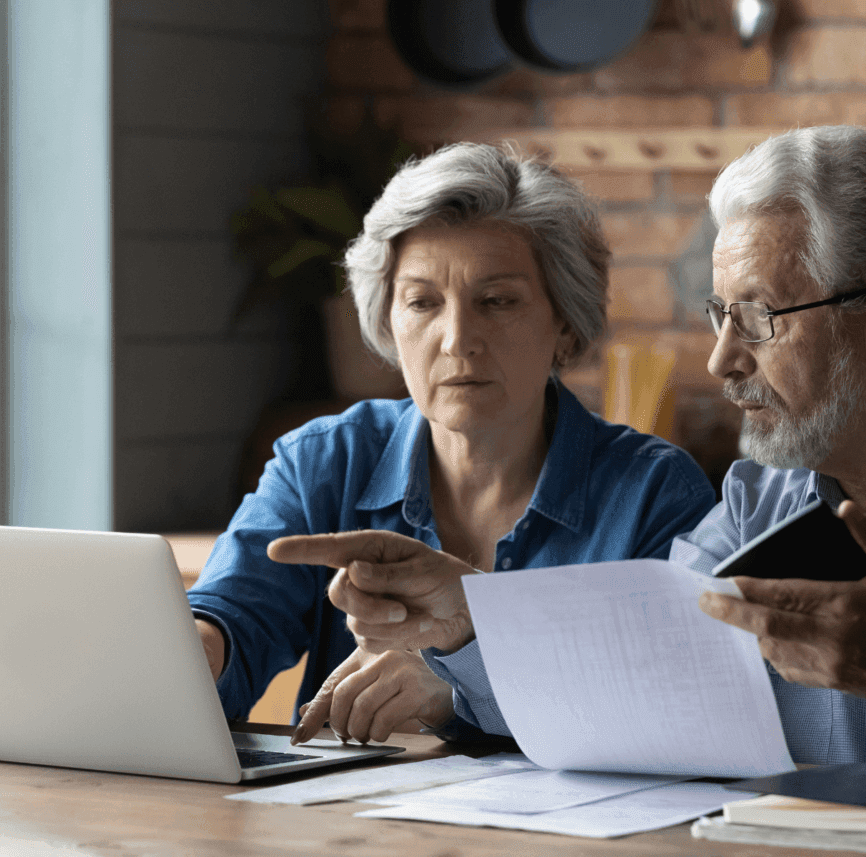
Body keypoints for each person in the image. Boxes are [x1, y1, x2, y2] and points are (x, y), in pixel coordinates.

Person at [289, 126, 866, 769]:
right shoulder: (757, 503)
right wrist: (473, 623)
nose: (720, 360)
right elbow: (633, 679)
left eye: (756, 318)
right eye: (720, 316)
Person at [190, 142, 716, 743]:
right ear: (389, 322)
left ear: (565, 325)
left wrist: (463, 690)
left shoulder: (654, 493)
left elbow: (673, 706)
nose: (458, 339)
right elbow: (232, 617)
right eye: (422, 302)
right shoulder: (325, 461)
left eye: (497, 301)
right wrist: (192, 657)